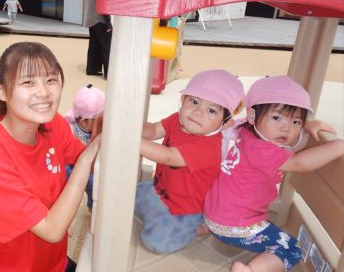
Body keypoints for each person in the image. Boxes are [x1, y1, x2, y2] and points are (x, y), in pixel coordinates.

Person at [0, 42, 101, 272]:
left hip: (52, 263)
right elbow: (51, 229)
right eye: (28, 82)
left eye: (51, 80)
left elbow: (91, 162)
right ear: (2, 91)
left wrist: (102, 126)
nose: (44, 92)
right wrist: (86, 160)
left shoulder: (53, 124)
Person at [203, 76, 344, 272]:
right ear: (252, 116)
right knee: (292, 249)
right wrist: (339, 146)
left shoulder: (246, 131)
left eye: (295, 121)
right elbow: (299, 162)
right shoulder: (261, 150)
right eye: (277, 118)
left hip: (213, 216)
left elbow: (292, 145)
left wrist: (306, 127)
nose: (286, 127)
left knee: (273, 232)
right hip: (235, 225)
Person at [136, 69, 245, 254]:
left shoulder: (210, 147)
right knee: (120, 195)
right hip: (158, 190)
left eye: (211, 110)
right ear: (183, 99)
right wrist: (131, 125)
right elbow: (154, 131)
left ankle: (199, 228)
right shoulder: (178, 120)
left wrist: (129, 139)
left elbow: (169, 156)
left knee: (155, 243)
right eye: (194, 101)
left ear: (225, 122)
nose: (197, 112)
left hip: (185, 210)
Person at [64, 84, 106, 210]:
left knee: (100, 183)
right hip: (71, 164)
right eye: (98, 119)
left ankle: (93, 205)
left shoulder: (102, 128)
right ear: (83, 121)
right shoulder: (69, 129)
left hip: (91, 163)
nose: (103, 121)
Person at [85, 0, 112, 79]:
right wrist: (108, 22)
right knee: (107, 46)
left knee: (94, 44)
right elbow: (103, 0)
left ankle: (92, 69)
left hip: (92, 17)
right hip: (99, 17)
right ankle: (108, 73)